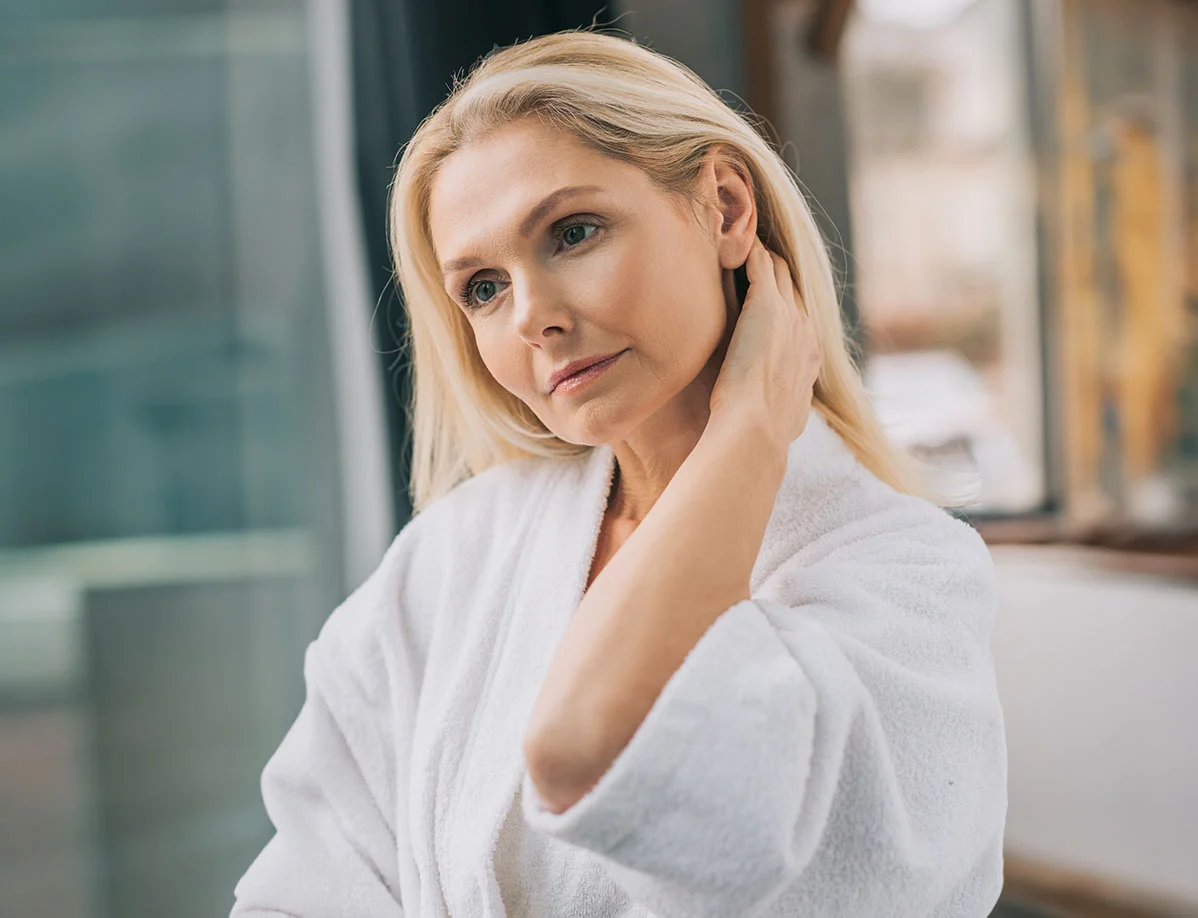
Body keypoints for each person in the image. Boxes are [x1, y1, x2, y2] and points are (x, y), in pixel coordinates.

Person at [231, 28, 1007, 918]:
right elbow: (303, 889)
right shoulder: (456, 554)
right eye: (482, 287)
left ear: (723, 207)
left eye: (573, 232)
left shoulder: (906, 576)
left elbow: (584, 744)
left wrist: (751, 431)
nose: (533, 317)